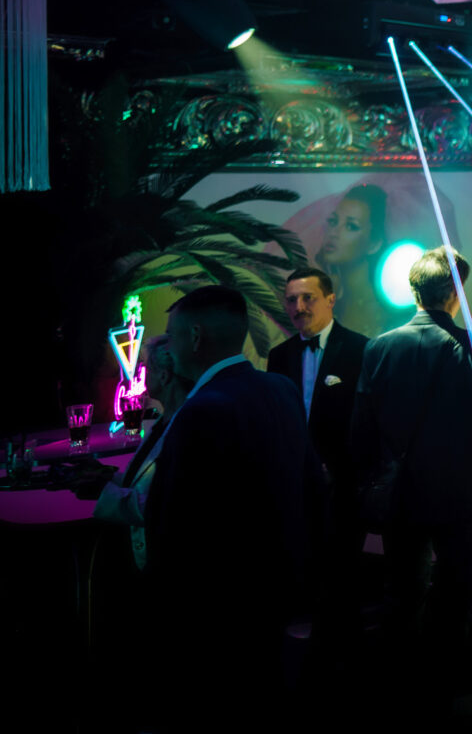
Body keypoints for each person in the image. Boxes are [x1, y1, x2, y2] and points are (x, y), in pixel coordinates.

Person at [145, 285, 321, 727]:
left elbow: (173, 526)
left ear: (195, 338)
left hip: (219, 607)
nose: (170, 348)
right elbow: (312, 485)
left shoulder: (200, 410)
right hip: (280, 588)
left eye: (173, 335)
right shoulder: (280, 388)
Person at [351, 246, 472, 699]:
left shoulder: (379, 347)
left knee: (401, 593)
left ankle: (402, 687)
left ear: (413, 291)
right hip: (463, 495)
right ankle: (442, 685)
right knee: (457, 595)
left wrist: (368, 488)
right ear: (456, 292)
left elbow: (361, 431)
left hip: (401, 495)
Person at [266, 267, 368, 648]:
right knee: (299, 572)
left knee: (342, 575)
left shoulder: (361, 349)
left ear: (330, 299)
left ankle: (344, 652)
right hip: (295, 484)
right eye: (292, 299)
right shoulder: (279, 356)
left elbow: (367, 421)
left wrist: (337, 468)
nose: (299, 307)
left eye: (308, 297)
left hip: (344, 485)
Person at [93, 333, 188, 571]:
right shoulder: (163, 422)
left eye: (147, 368)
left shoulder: (184, 429)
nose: (142, 375)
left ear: (164, 376)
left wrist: (103, 492)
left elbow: (167, 507)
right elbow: (150, 485)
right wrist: (110, 477)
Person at [321, 183, 393, 338]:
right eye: (333, 221)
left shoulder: (380, 310)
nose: (334, 233)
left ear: (374, 244)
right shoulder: (328, 300)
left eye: (351, 226)